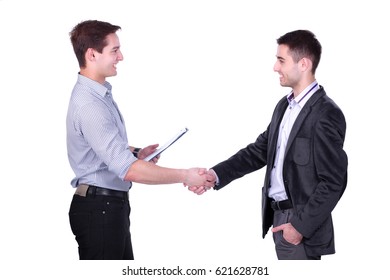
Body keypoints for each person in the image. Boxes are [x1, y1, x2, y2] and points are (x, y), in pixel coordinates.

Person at [191, 30, 348, 260]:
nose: (275, 67)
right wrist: (215, 175)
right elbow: (259, 151)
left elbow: (334, 181)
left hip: (300, 227)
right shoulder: (283, 107)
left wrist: (299, 227)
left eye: (281, 60)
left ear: (303, 64)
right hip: (278, 218)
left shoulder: (325, 113)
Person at [66, 20, 210, 260]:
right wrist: (186, 175)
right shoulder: (90, 104)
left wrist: (135, 152)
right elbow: (128, 171)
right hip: (100, 210)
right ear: (92, 54)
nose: (120, 56)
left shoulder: (97, 95)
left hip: (107, 208)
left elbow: (101, 142)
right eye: (114, 50)